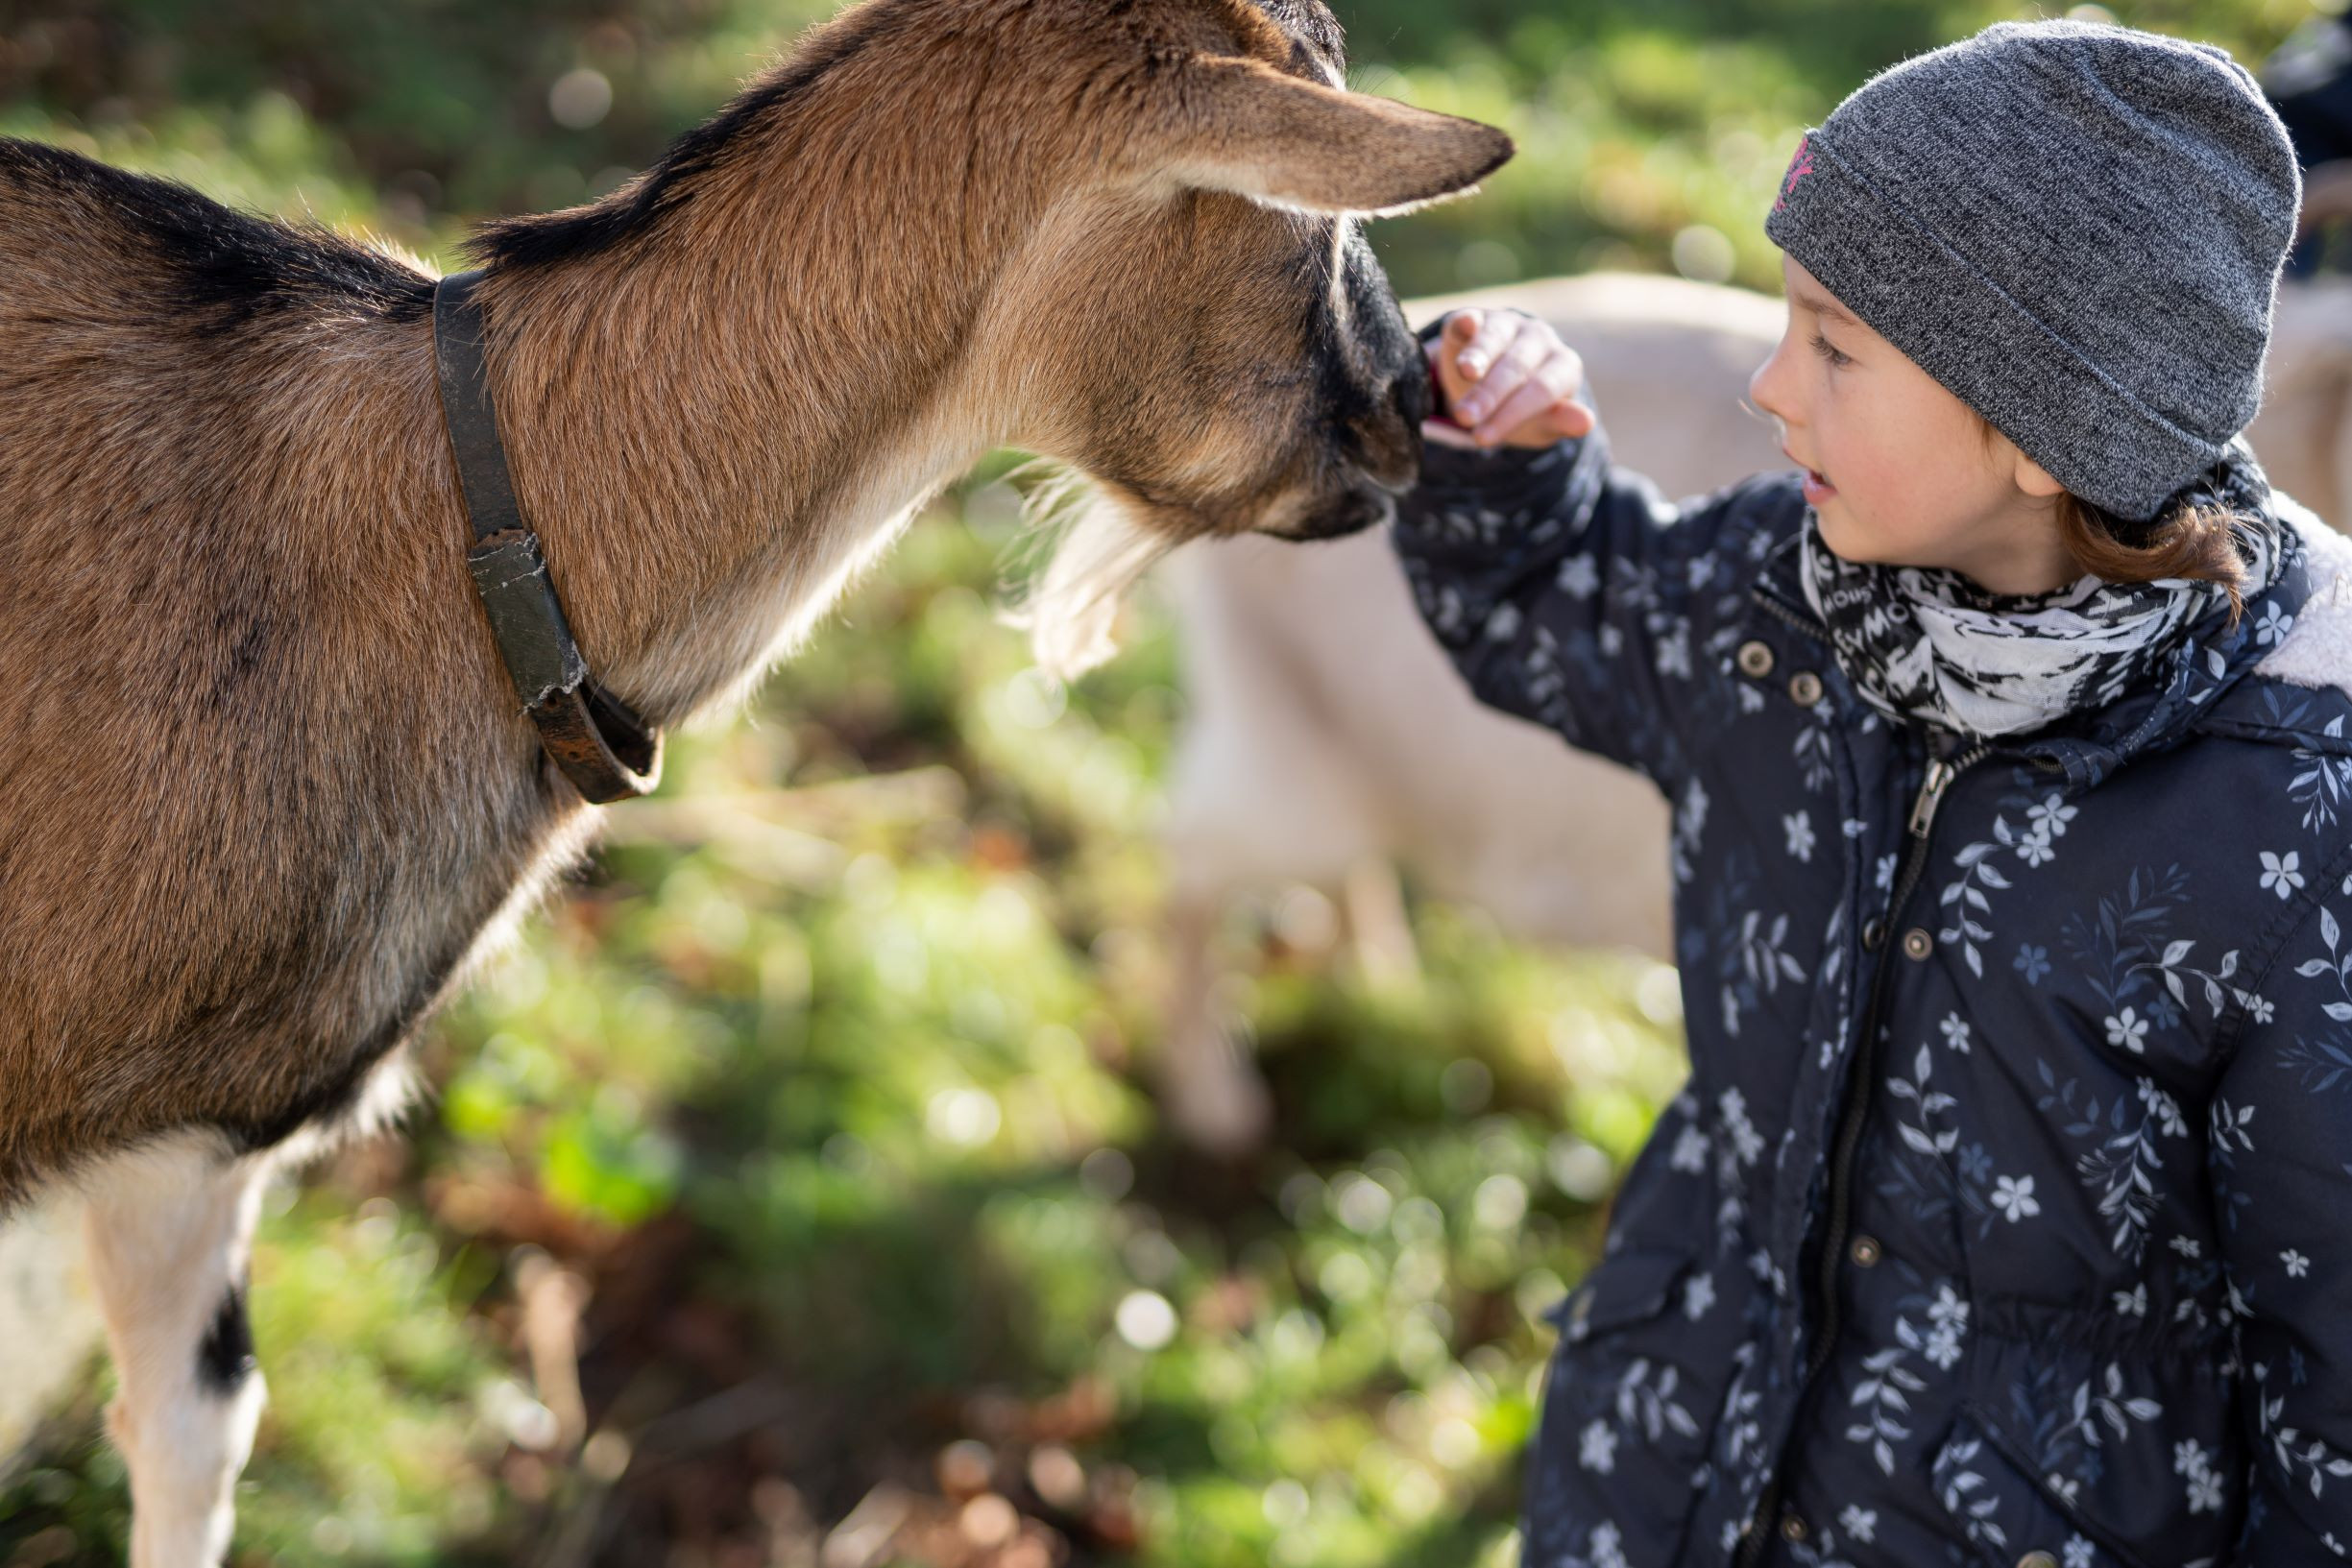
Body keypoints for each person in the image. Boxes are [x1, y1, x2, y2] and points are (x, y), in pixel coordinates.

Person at [1394, 20, 2352, 1566]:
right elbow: (1570, 617)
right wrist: (1510, 470)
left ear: (2049, 429)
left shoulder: (2286, 828)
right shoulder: (1794, 608)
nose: (1771, 385)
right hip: (1660, 1478)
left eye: (1834, 344)